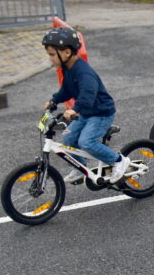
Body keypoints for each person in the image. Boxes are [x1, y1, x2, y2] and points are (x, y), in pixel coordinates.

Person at [42, 25, 130, 185]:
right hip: (86, 113)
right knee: (68, 137)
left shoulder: (84, 72)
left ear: (66, 52)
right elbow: (67, 89)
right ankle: (79, 167)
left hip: (101, 113)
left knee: (86, 142)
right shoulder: (68, 68)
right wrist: (54, 100)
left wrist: (74, 109)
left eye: (52, 54)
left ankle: (119, 161)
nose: (50, 58)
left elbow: (88, 94)